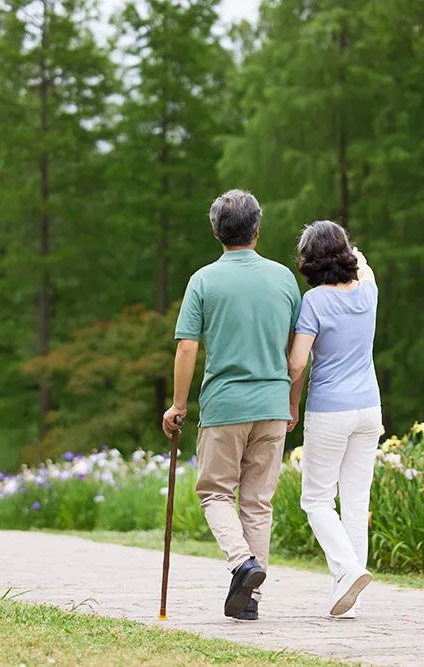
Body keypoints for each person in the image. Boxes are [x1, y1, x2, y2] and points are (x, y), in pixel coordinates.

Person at [162, 189, 301, 621]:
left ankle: (242, 563)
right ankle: (249, 602)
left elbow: (187, 348)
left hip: (226, 404)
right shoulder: (284, 279)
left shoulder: (203, 280)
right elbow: (300, 353)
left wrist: (178, 404)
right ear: (257, 231)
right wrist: (292, 403)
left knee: (214, 492)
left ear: (216, 231)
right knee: (258, 502)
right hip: (274, 403)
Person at [287, 219, 382, 620]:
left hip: (330, 409)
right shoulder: (369, 291)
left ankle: (350, 570)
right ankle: (347, 594)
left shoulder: (315, 303)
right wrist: (346, 248)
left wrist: (290, 402)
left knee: (316, 500)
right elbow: (361, 260)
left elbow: (296, 363)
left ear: (310, 261)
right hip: (369, 408)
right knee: (356, 502)